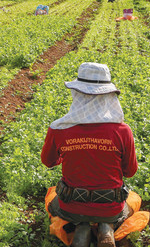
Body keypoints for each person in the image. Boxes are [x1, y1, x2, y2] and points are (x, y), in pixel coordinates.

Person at [41, 62, 138, 247]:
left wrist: (69, 152)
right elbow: (130, 171)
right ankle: (106, 227)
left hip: (71, 206)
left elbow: (49, 161)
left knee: (52, 196)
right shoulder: (123, 131)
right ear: (108, 96)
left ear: (76, 93)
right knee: (133, 199)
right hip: (111, 206)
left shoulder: (58, 129)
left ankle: (82, 229)